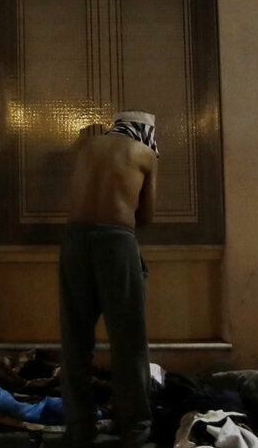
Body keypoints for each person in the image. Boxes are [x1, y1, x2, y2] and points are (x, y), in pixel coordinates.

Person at [59, 110, 158, 448]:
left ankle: (79, 427)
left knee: (75, 339)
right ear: (145, 134)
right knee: (128, 341)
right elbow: (146, 216)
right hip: (116, 241)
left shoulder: (87, 147)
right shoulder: (145, 154)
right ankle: (135, 430)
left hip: (73, 241)